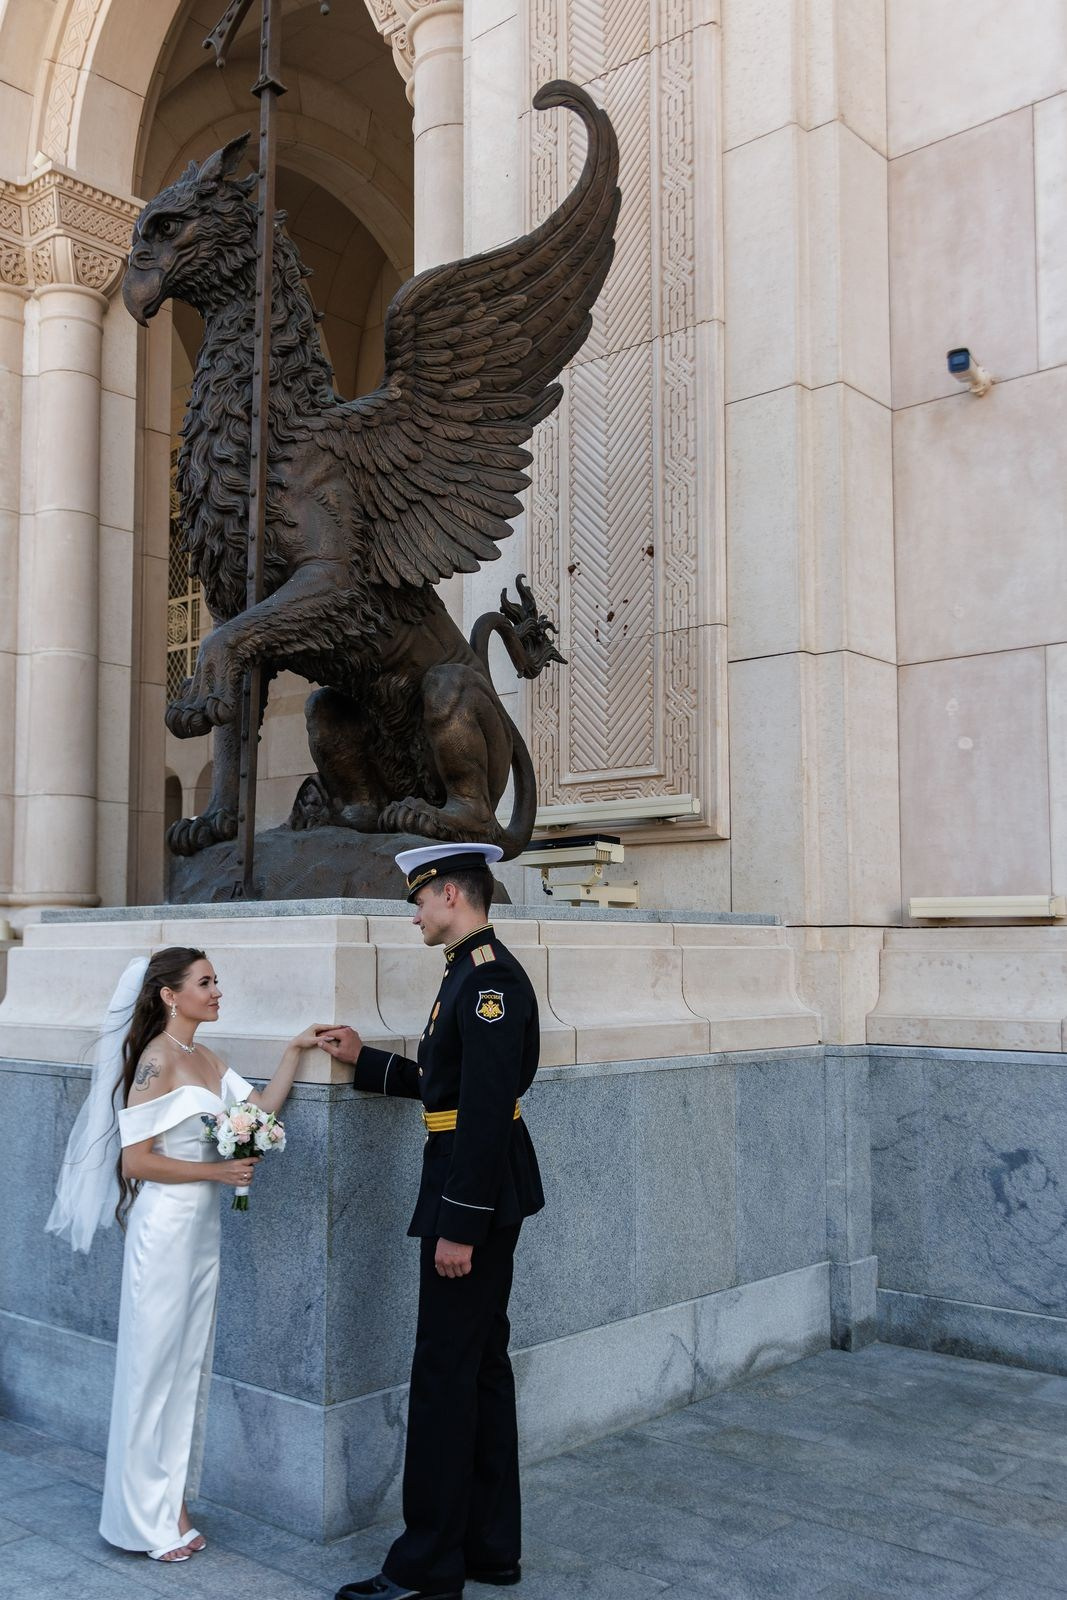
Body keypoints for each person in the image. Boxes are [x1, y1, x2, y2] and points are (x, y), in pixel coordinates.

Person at [318, 843, 544, 1600]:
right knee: (476, 1367)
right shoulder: (466, 975)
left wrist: (460, 1225)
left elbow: (481, 1114)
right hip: (474, 1185)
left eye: (418, 900)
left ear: (450, 894)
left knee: (445, 1374)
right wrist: (367, 1060)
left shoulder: (489, 983)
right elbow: (446, 1086)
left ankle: (425, 1568)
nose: (413, 914)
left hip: (469, 1193)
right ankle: (488, 1546)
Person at [46, 945, 319, 1563]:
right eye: (206, 982)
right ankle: (142, 1518)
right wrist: (216, 1178)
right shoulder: (156, 1060)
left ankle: (169, 1502)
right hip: (164, 1229)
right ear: (171, 994)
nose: (217, 991)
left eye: (217, 981)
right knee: (151, 1368)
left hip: (200, 1234)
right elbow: (134, 1160)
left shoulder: (203, 1054)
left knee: (185, 1367)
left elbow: (253, 1113)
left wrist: (294, 1051)